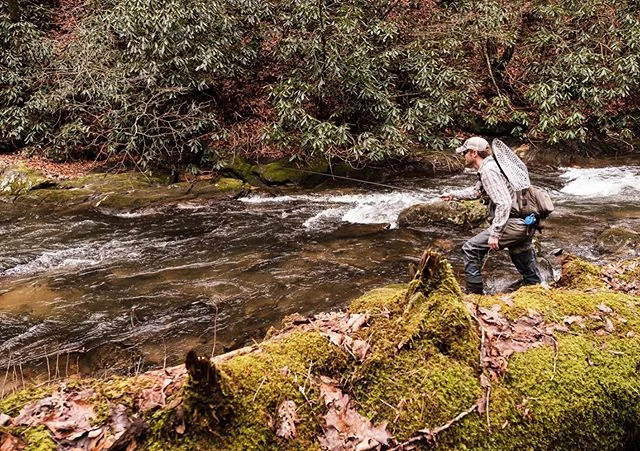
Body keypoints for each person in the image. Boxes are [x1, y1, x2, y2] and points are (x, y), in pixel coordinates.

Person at [440, 136, 541, 294]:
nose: (463, 156)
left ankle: (474, 295)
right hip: (524, 222)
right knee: (520, 252)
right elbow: (477, 192)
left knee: (470, 249)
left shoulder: (488, 170)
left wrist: (495, 233)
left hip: (512, 223)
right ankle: (538, 289)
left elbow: (504, 203)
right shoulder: (492, 166)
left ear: (474, 153)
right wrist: (454, 195)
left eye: (464, 152)